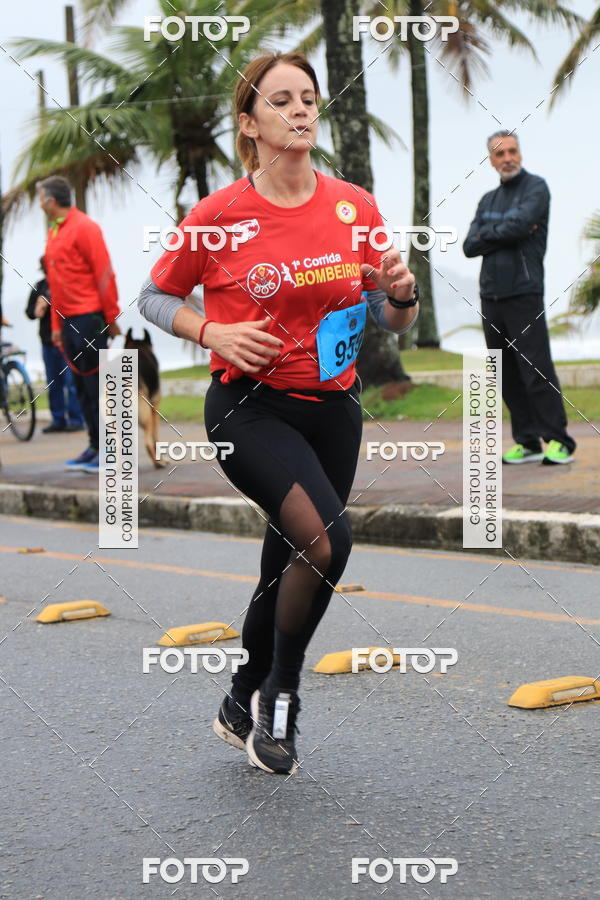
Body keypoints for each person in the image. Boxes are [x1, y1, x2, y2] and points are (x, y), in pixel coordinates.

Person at [138, 52, 419, 775]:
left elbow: (388, 320)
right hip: (248, 410)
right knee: (326, 545)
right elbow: (153, 297)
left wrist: (400, 295)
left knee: (287, 563)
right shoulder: (220, 215)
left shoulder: (353, 204)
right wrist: (212, 330)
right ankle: (281, 698)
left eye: (309, 99)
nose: (300, 111)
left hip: (334, 409)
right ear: (250, 123)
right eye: (282, 100)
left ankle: (237, 697)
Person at [463, 131, 575, 465]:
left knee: (536, 369)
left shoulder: (536, 188)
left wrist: (490, 233)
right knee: (505, 372)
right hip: (490, 295)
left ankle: (559, 441)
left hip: (524, 292)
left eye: (512, 151)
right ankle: (527, 441)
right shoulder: (487, 200)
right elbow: (469, 245)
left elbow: (521, 224)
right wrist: (504, 232)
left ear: (520, 154)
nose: (507, 158)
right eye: (500, 154)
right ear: (491, 160)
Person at [39, 176, 121, 472]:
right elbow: (54, 285)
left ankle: (111, 451)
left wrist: (112, 317)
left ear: (50, 200)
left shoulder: (85, 227)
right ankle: (95, 446)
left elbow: (104, 274)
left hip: (90, 318)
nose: (40, 204)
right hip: (68, 321)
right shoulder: (54, 233)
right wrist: (56, 326)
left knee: (97, 386)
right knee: (80, 388)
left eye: (40, 198)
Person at [25, 257, 85, 433]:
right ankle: (58, 420)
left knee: (71, 381)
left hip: (66, 341)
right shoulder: (39, 287)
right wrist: (37, 308)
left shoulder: (66, 284)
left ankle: (76, 419)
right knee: (53, 382)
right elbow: (29, 312)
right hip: (47, 341)